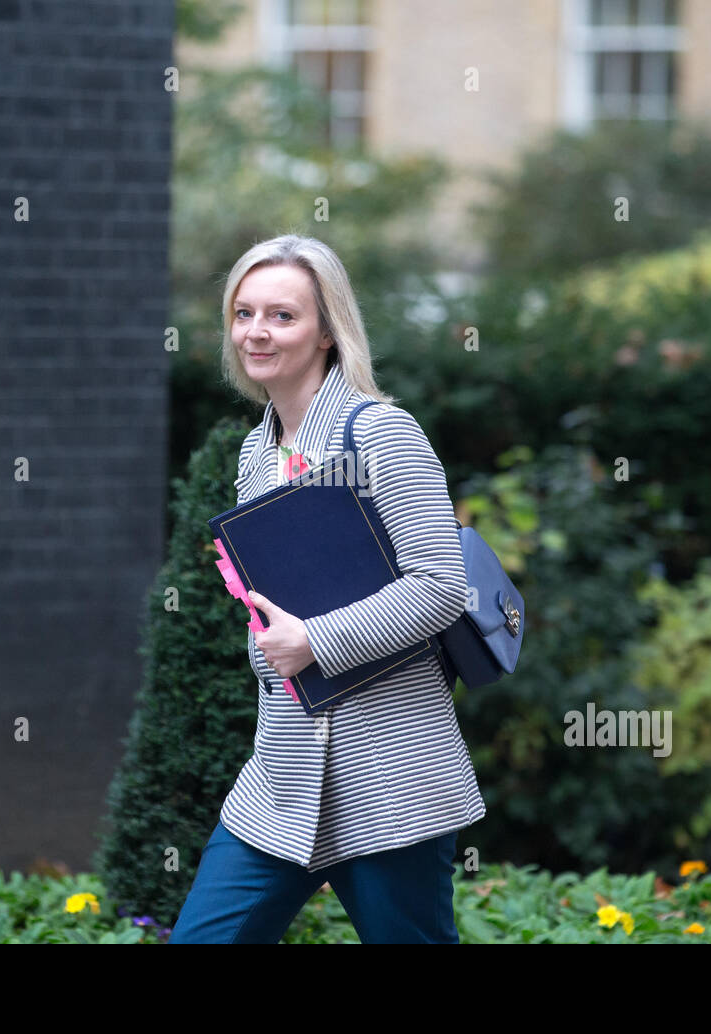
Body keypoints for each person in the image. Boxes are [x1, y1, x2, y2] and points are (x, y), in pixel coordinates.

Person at [168, 234, 486, 944]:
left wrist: (314, 640)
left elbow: (441, 586)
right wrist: (271, 646)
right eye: (243, 313)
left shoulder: (383, 434)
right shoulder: (255, 452)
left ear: (326, 331)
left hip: (390, 774)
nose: (257, 331)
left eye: (282, 315)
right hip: (279, 780)